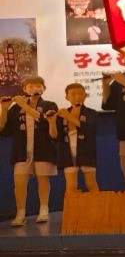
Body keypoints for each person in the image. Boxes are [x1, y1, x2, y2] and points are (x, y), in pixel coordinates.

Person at [0, 76, 58, 225]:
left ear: (43, 89)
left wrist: (24, 106)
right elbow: (5, 131)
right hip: (22, 150)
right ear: (24, 89)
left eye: (39, 86)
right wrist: (4, 109)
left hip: (43, 148)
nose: (35, 89)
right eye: (31, 86)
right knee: (19, 181)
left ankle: (44, 209)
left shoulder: (49, 104)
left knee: (43, 178)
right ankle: (20, 213)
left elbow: (45, 123)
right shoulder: (16, 107)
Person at [56, 83, 99, 193]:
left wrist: (69, 117)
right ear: (67, 97)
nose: (77, 97)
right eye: (73, 94)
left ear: (85, 95)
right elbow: (56, 135)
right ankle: (72, 210)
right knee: (71, 185)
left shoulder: (91, 112)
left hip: (86, 150)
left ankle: (97, 209)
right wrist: (52, 121)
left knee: (91, 183)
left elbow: (89, 128)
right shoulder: (62, 113)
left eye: (80, 94)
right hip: (68, 150)